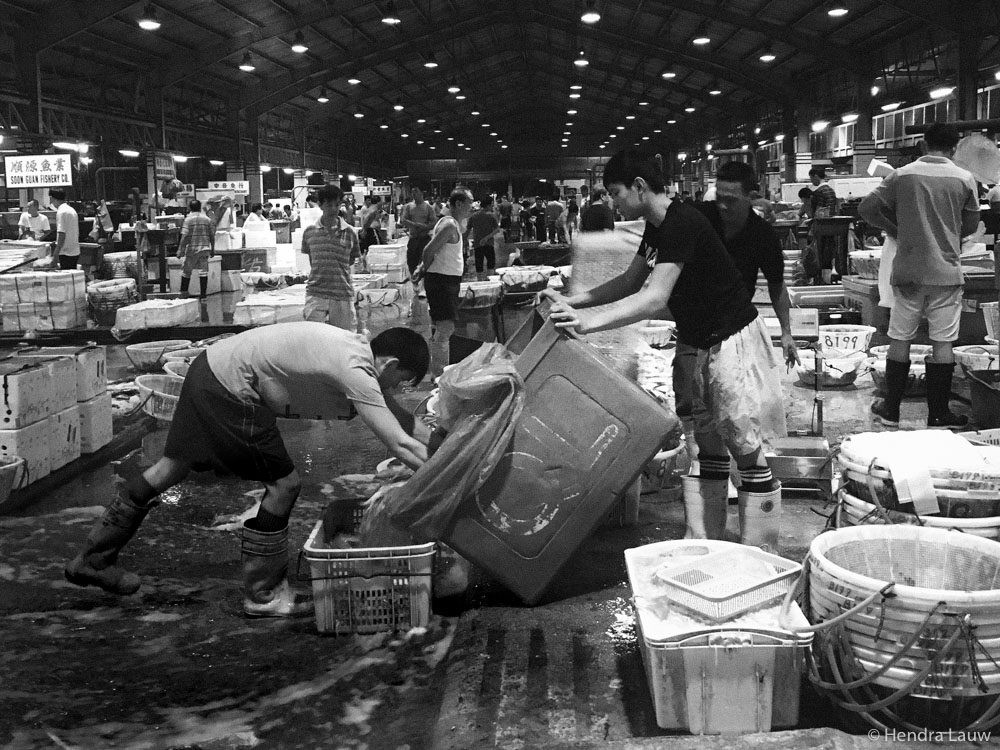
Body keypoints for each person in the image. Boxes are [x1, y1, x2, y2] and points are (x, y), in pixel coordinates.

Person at [65, 324, 431, 616]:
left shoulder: (352, 349)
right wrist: (443, 482)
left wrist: (447, 448)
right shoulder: (356, 368)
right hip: (232, 387)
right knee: (284, 486)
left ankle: (93, 559)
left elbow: (400, 420)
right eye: (403, 380)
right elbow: (398, 443)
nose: (398, 388)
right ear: (391, 364)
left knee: (170, 468)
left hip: (209, 368)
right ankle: (264, 595)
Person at [541, 150, 784, 549]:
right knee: (707, 442)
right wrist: (575, 301)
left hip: (731, 339)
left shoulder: (682, 223)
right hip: (699, 339)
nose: (614, 203)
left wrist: (588, 324)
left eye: (616, 194)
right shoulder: (658, 225)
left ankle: (761, 551)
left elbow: (655, 297)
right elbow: (630, 281)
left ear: (639, 187)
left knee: (744, 445)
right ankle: (709, 541)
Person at [860, 122, 979, 429]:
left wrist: (896, 228)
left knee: (900, 337)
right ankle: (939, 415)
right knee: (943, 342)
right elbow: (969, 225)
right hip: (946, 273)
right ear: (954, 148)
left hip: (909, 272)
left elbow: (867, 208)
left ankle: (891, 411)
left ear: (924, 145)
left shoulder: (903, 175)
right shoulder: (965, 178)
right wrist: (949, 233)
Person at [697, 161, 800, 371]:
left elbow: (777, 285)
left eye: (731, 200)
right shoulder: (701, 218)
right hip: (694, 324)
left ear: (751, 197)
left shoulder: (763, 235)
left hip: (734, 328)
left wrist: (786, 332)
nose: (722, 206)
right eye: (719, 199)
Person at [413, 189, 473, 375]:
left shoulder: (451, 224)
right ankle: (439, 375)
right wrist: (423, 269)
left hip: (446, 281)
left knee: (442, 327)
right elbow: (428, 251)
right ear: (458, 204)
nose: (472, 207)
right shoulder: (448, 226)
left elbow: (434, 253)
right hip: (442, 282)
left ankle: (439, 372)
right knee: (446, 328)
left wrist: (422, 269)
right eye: (469, 203)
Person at [301, 184, 361, 331]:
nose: (334, 209)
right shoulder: (309, 232)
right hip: (316, 293)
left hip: (342, 293)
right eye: (329, 205)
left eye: (337, 204)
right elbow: (312, 261)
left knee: (345, 339)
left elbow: (351, 260)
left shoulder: (350, 232)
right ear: (320, 205)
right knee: (313, 338)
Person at [176, 199, 215, 300]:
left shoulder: (188, 220)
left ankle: (183, 295)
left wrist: (180, 249)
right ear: (200, 207)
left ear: (189, 208)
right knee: (203, 272)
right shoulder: (207, 219)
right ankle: (203, 296)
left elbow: (184, 236)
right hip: (205, 248)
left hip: (192, 249)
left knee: (186, 272)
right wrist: (213, 249)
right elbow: (212, 235)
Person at [400, 187, 437, 291]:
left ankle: (424, 284)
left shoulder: (428, 207)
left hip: (424, 238)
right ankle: (414, 280)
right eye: (412, 193)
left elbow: (434, 222)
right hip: (413, 238)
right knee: (411, 260)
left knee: (425, 261)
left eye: (416, 192)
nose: (414, 194)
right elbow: (403, 219)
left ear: (421, 193)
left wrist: (424, 226)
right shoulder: (408, 207)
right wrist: (414, 225)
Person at [466, 195, 502, 279]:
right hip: (489, 243)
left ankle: (479, 281)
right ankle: (490, 280)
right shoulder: (491, 216)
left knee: (479, 263)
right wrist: (486, 238)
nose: (492, 206)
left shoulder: (474, 216)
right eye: (492, 205)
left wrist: (464, 241)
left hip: (477, 244)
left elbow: (467, 230)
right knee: (491, 263)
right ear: (488, 205)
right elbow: (497, 230)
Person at [48, 188, 80, 270]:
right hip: (74, 250)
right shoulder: (71, 210)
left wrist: (55, 254)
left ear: (52, 198)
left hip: (65, 252)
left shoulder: (61, 212)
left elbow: (61, 234)